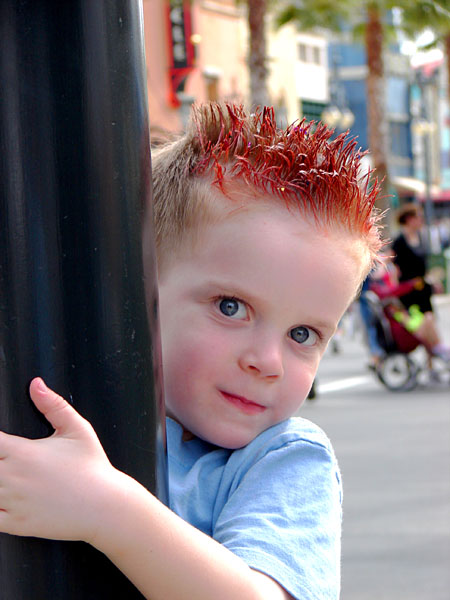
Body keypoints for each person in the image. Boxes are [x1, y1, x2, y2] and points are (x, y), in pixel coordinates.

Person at [0, 104, 384, 600]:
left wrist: (105, 507)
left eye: (303, 335)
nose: (267, 361)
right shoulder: (59, 398)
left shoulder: (280, 460)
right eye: (231, 307)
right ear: (137, 294)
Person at [392, 203, 434, 313]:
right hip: (408, 292)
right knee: (420, 326)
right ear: (409, 219)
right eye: (419, 217)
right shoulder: (399, 241)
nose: (421, 220)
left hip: (423, 290)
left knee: (429, 321)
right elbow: (394, 268)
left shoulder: (420, 237)